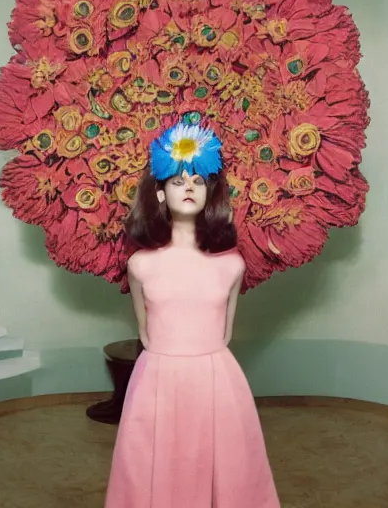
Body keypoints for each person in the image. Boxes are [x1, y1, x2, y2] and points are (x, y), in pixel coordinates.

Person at [104, 122, 280, 507]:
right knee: (156, 469)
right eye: (178, 180)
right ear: (161, 193)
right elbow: (147, 334)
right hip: (157, 385)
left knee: (225, 473)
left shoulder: (231, 265)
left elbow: (224, 335)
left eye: (198, 181)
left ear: (209, 193)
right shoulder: (140, 265)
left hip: (217, 383)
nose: (188, 187)